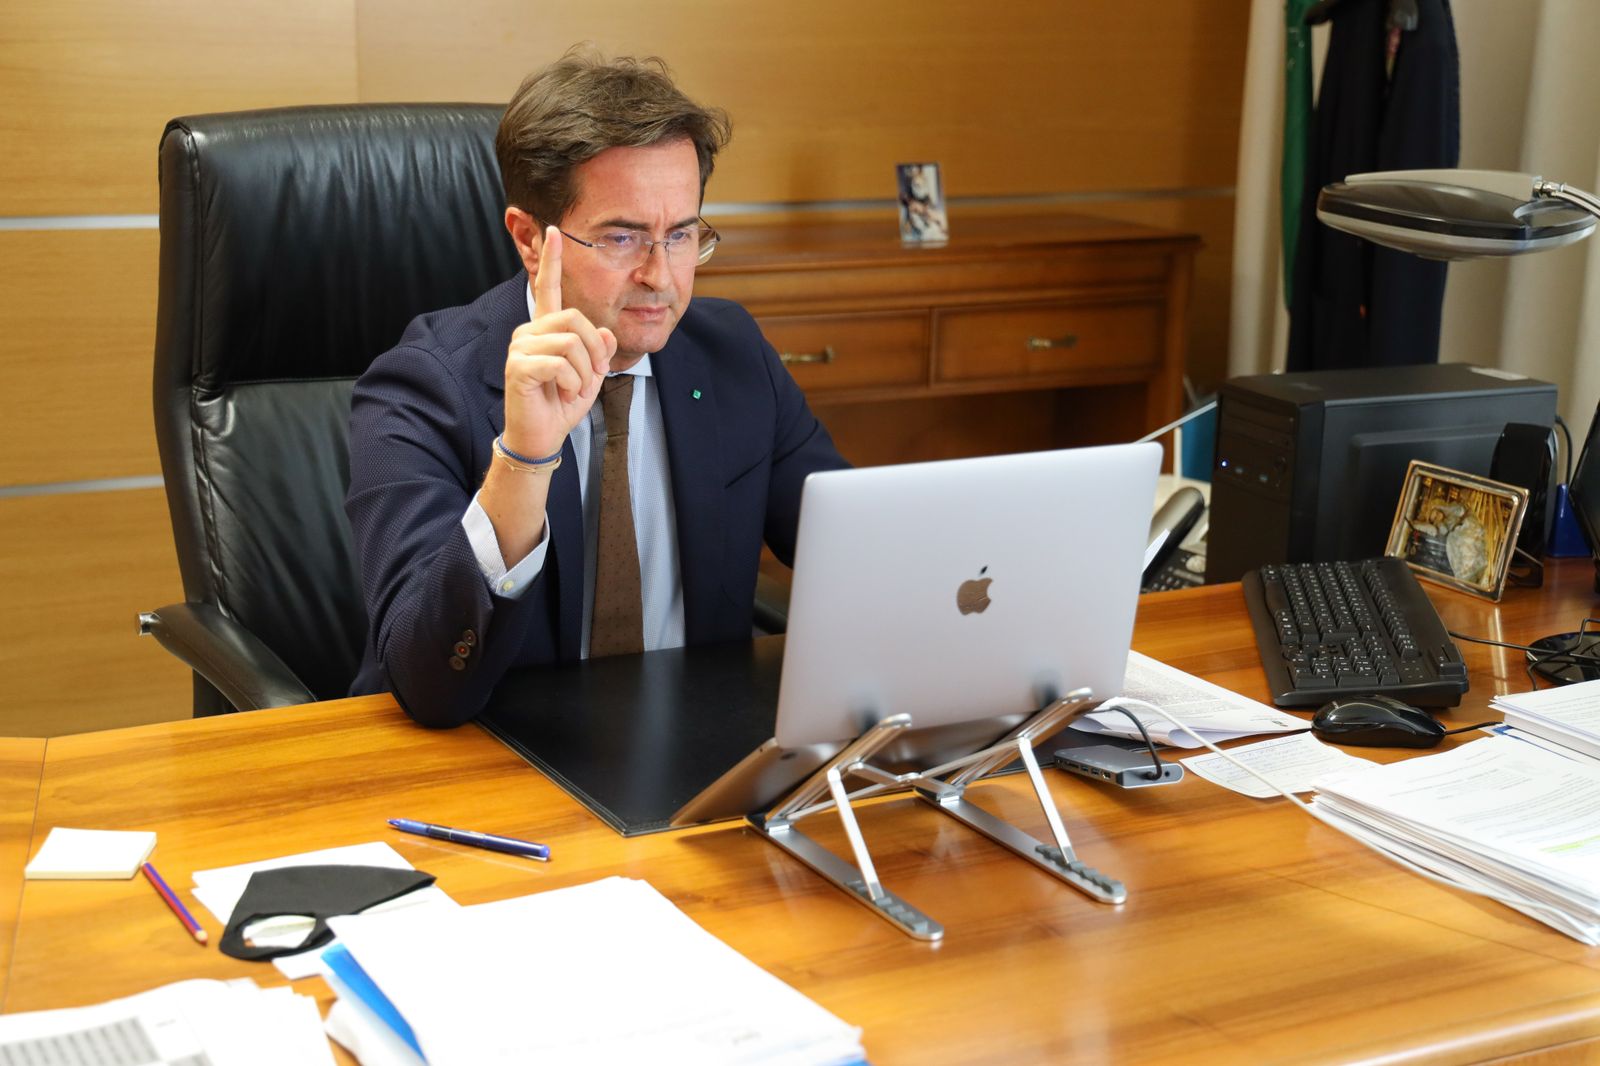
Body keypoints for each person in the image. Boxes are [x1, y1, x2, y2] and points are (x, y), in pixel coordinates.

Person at [345, 51, 848, 728]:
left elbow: (853, 551)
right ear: (529, 239)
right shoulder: (423, 387)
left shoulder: (730, 356)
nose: (661, 276)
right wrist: (523, 458)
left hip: (694, 752)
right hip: (494, 758)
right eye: (623, 236)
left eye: (681, 235)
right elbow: (429, 681)